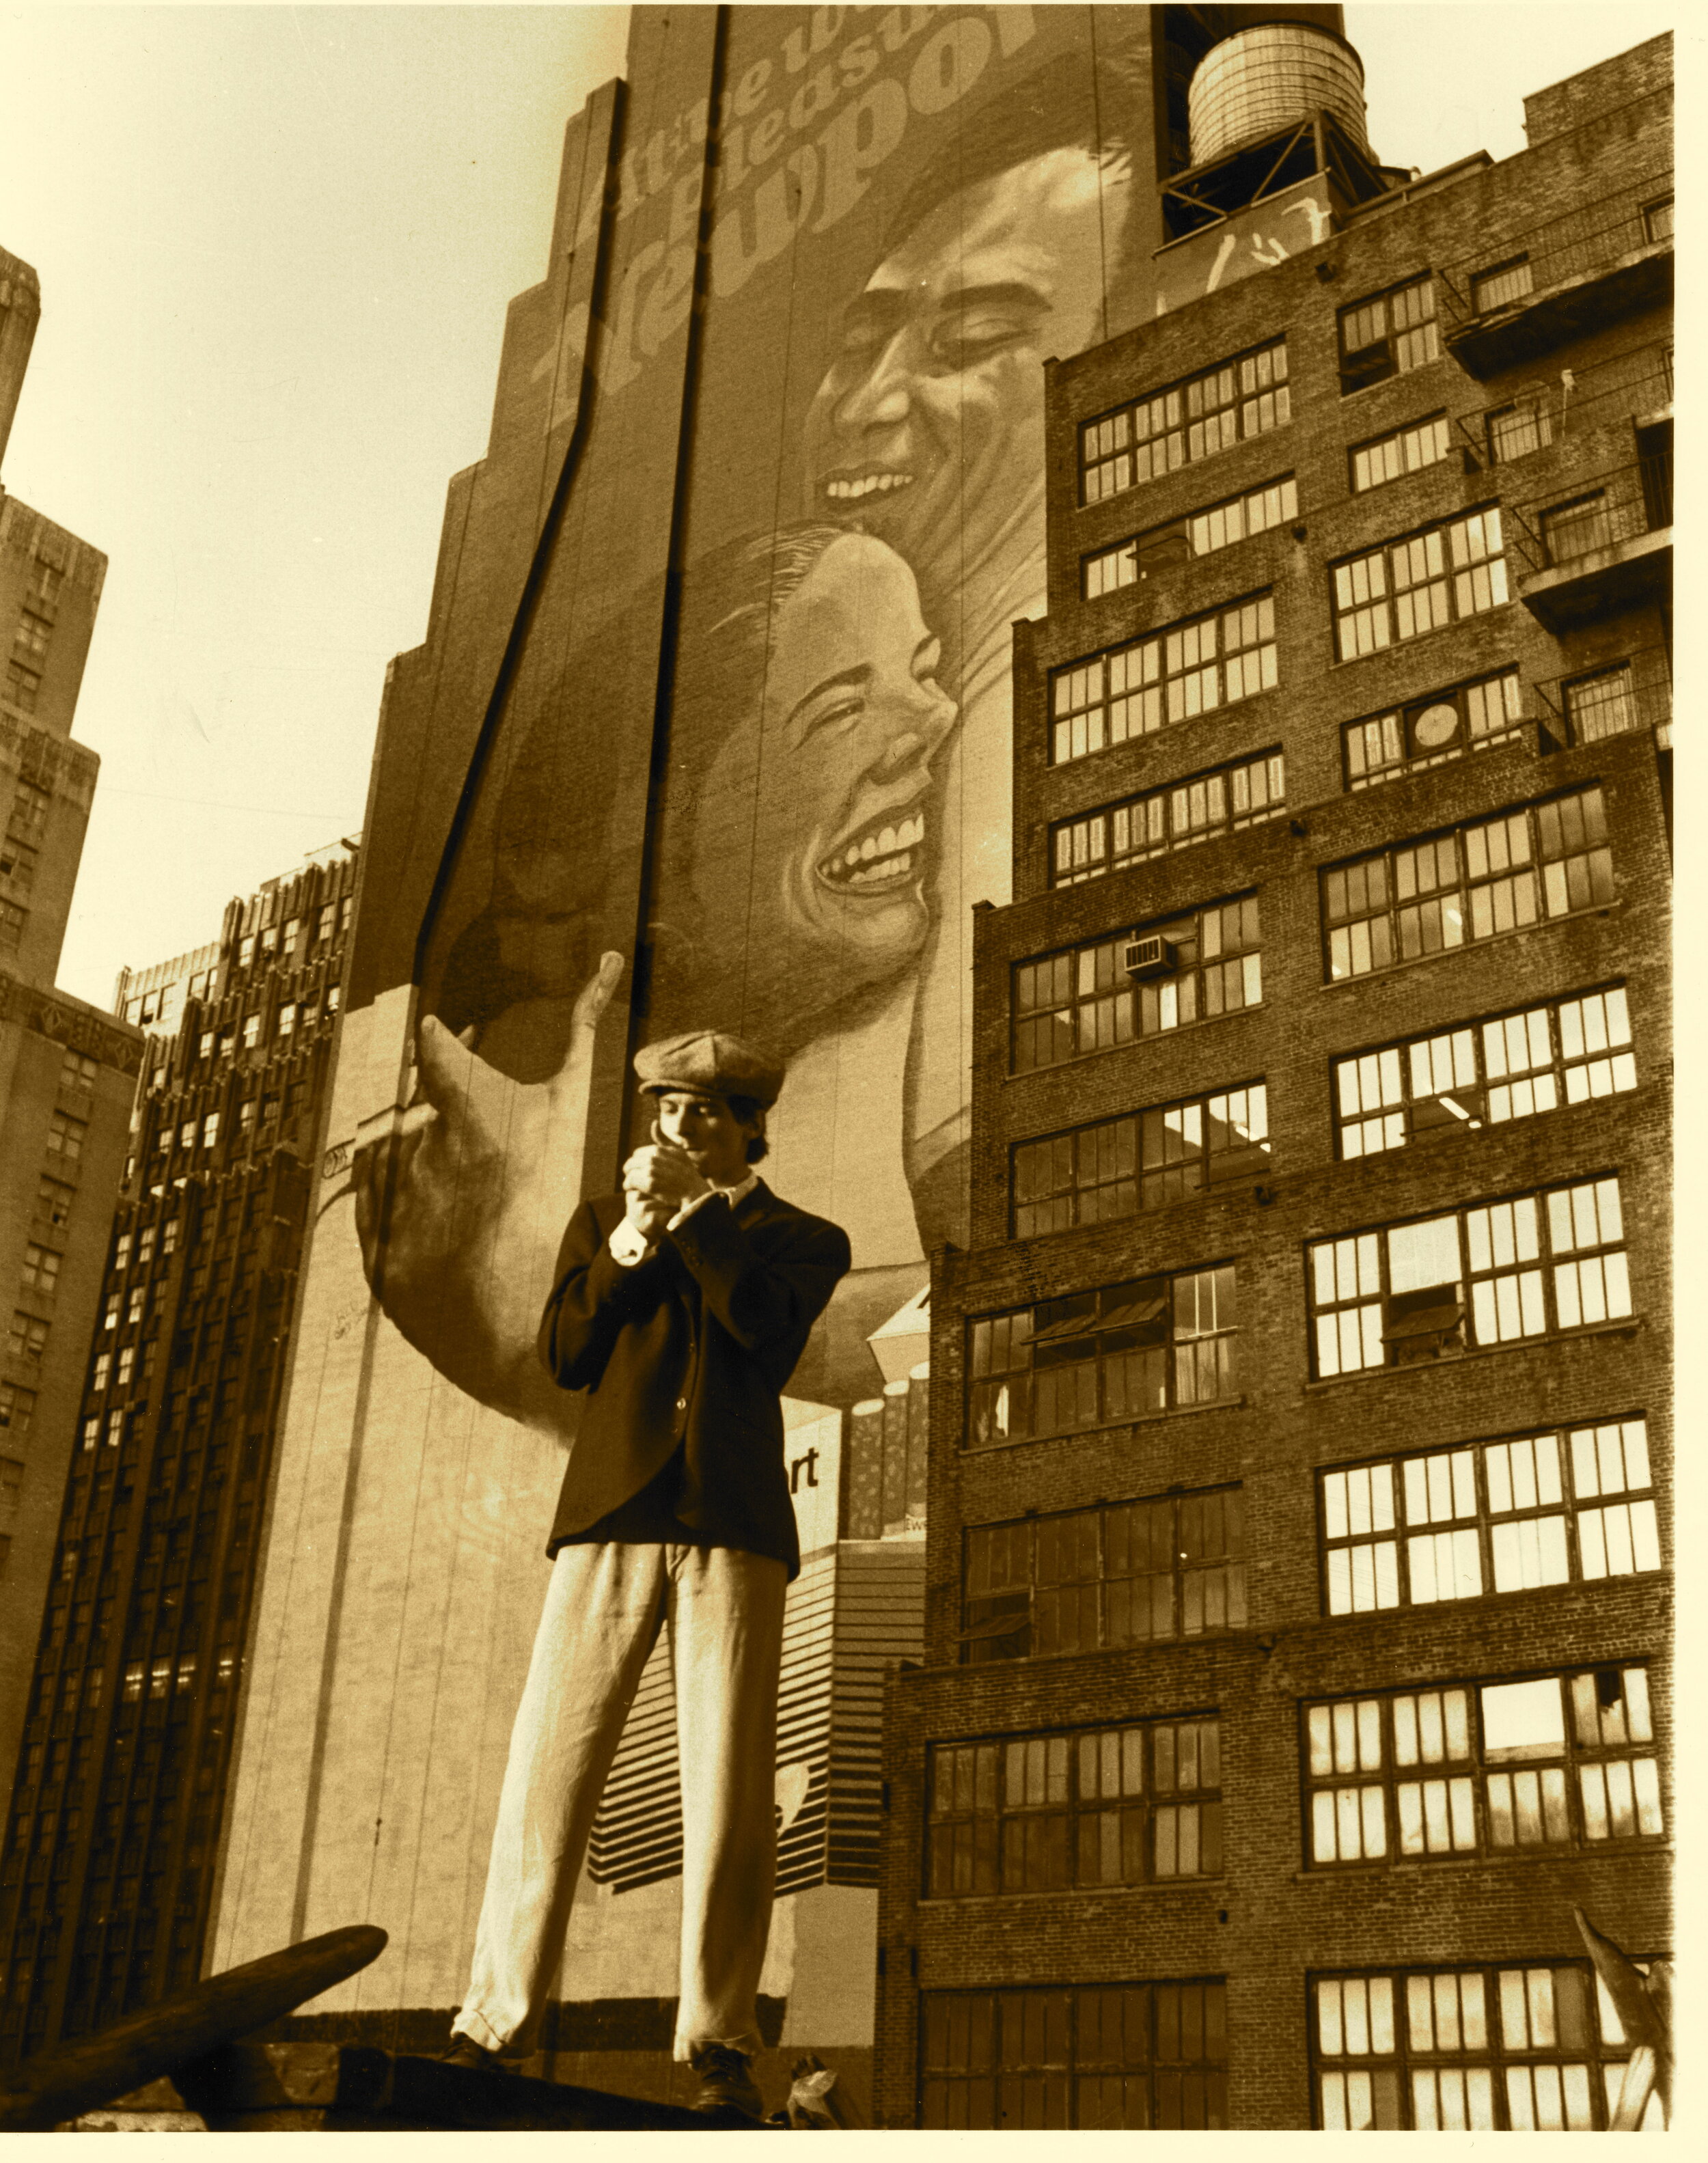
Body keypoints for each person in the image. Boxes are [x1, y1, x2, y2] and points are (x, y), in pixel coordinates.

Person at [358, 524, 953, 1419]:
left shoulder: (948, 1049)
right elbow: (849, 1338)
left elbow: (856, 1336)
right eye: (841, 709)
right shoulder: (465, 1146)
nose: (936, 719)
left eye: (927, 669)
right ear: (650, 848)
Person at [443, 1029, 851, 2117]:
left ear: (749, 1125)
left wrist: (697, 1219)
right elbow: (568, 1353)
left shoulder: (803, 1237)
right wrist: (631, 1235)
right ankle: (493, 2019)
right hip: (610, 1515)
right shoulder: (602, 1223)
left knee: (729, 1787)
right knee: (548, 1768)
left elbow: (763, 1336)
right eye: (666, 1106)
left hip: (734, 1523)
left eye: (704, 1110)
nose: (677, 1124)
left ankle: (719, 2039)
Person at [802, 59, 1136, 1252]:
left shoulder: (1080, 727)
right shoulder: (892, 778)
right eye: (862, 339)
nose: (869, 401)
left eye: (979, 335)